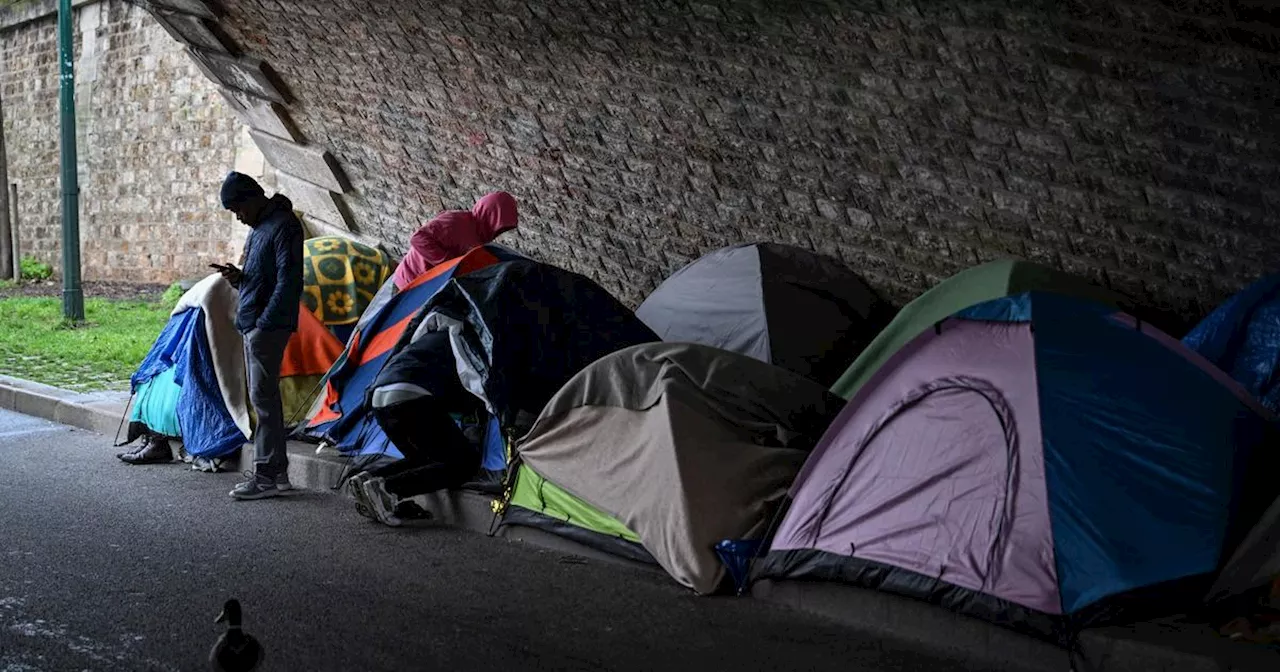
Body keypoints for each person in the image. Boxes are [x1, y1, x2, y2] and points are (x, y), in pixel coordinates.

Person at [214, 172, 305, 500]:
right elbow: (262, 279)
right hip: (255, 322)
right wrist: (239, 278)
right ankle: (277, 473)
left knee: (263, 402)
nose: (239, 217)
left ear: (253, 198)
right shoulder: (259, 230)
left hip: (266, 327)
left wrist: (265, 323)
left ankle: (265, 474)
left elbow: (288, 281)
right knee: (265, 399)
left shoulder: (284, 226)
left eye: (239, 208)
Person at [347, 332, 484, 526]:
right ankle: (388, 489)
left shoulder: (428, 333)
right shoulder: (472, 340)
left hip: (379, 398)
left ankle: (369, 478)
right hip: (411, 395)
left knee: (423, 459)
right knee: (464, 464)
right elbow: (474, 392)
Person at [390, 191, 518, 290]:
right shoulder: (454, 222)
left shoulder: (479, 240)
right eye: (498, 227)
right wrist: (448, 263)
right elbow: (418, 239)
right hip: (410, 281)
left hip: (429, 286)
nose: (498, 233)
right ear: (490, 216)